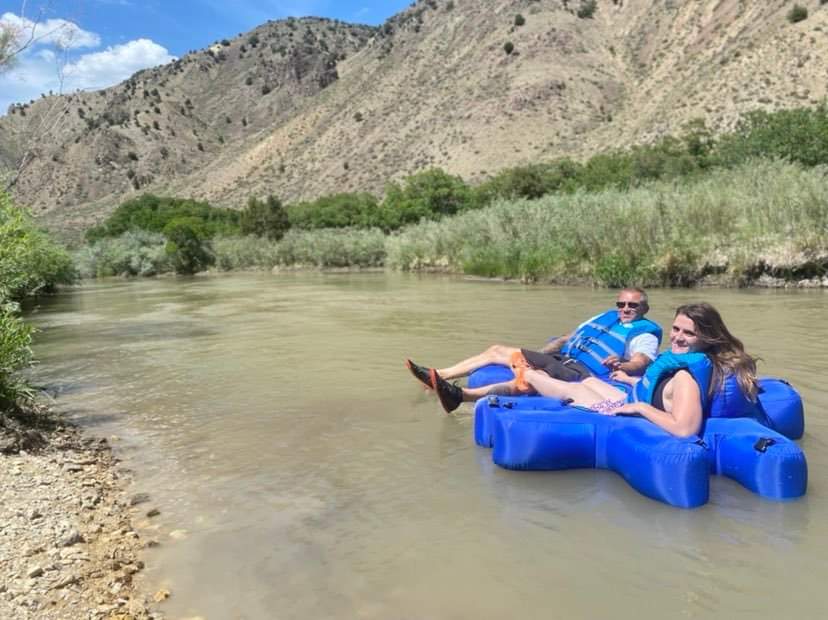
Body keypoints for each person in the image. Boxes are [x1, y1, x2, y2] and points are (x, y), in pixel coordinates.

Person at [431, 303, 758, 438]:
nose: (677, 337)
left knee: (539, 377)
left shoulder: (686, 377)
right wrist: (633, 381)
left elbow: (685, 429)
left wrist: (641, 405)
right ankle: (462, 394)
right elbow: (660, 387)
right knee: (585, 380)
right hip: (627, 396)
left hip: (626, 410)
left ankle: (463, 397)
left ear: (707, 336)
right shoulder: (687, 365)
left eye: (688, 333)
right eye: (676, 329)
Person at [406, 287, 662, 391]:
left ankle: (447, 385)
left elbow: (641, 361)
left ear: (644, 309)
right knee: (497, 349)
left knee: (511, 359)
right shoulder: (607, 317)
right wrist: (540, 353)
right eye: (622, 303)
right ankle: (438, 375)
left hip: (581, 371)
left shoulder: (644, 333)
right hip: (563, 358)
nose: (626, 308)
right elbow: (568, 337)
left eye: (633, 305)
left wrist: (621, 364)